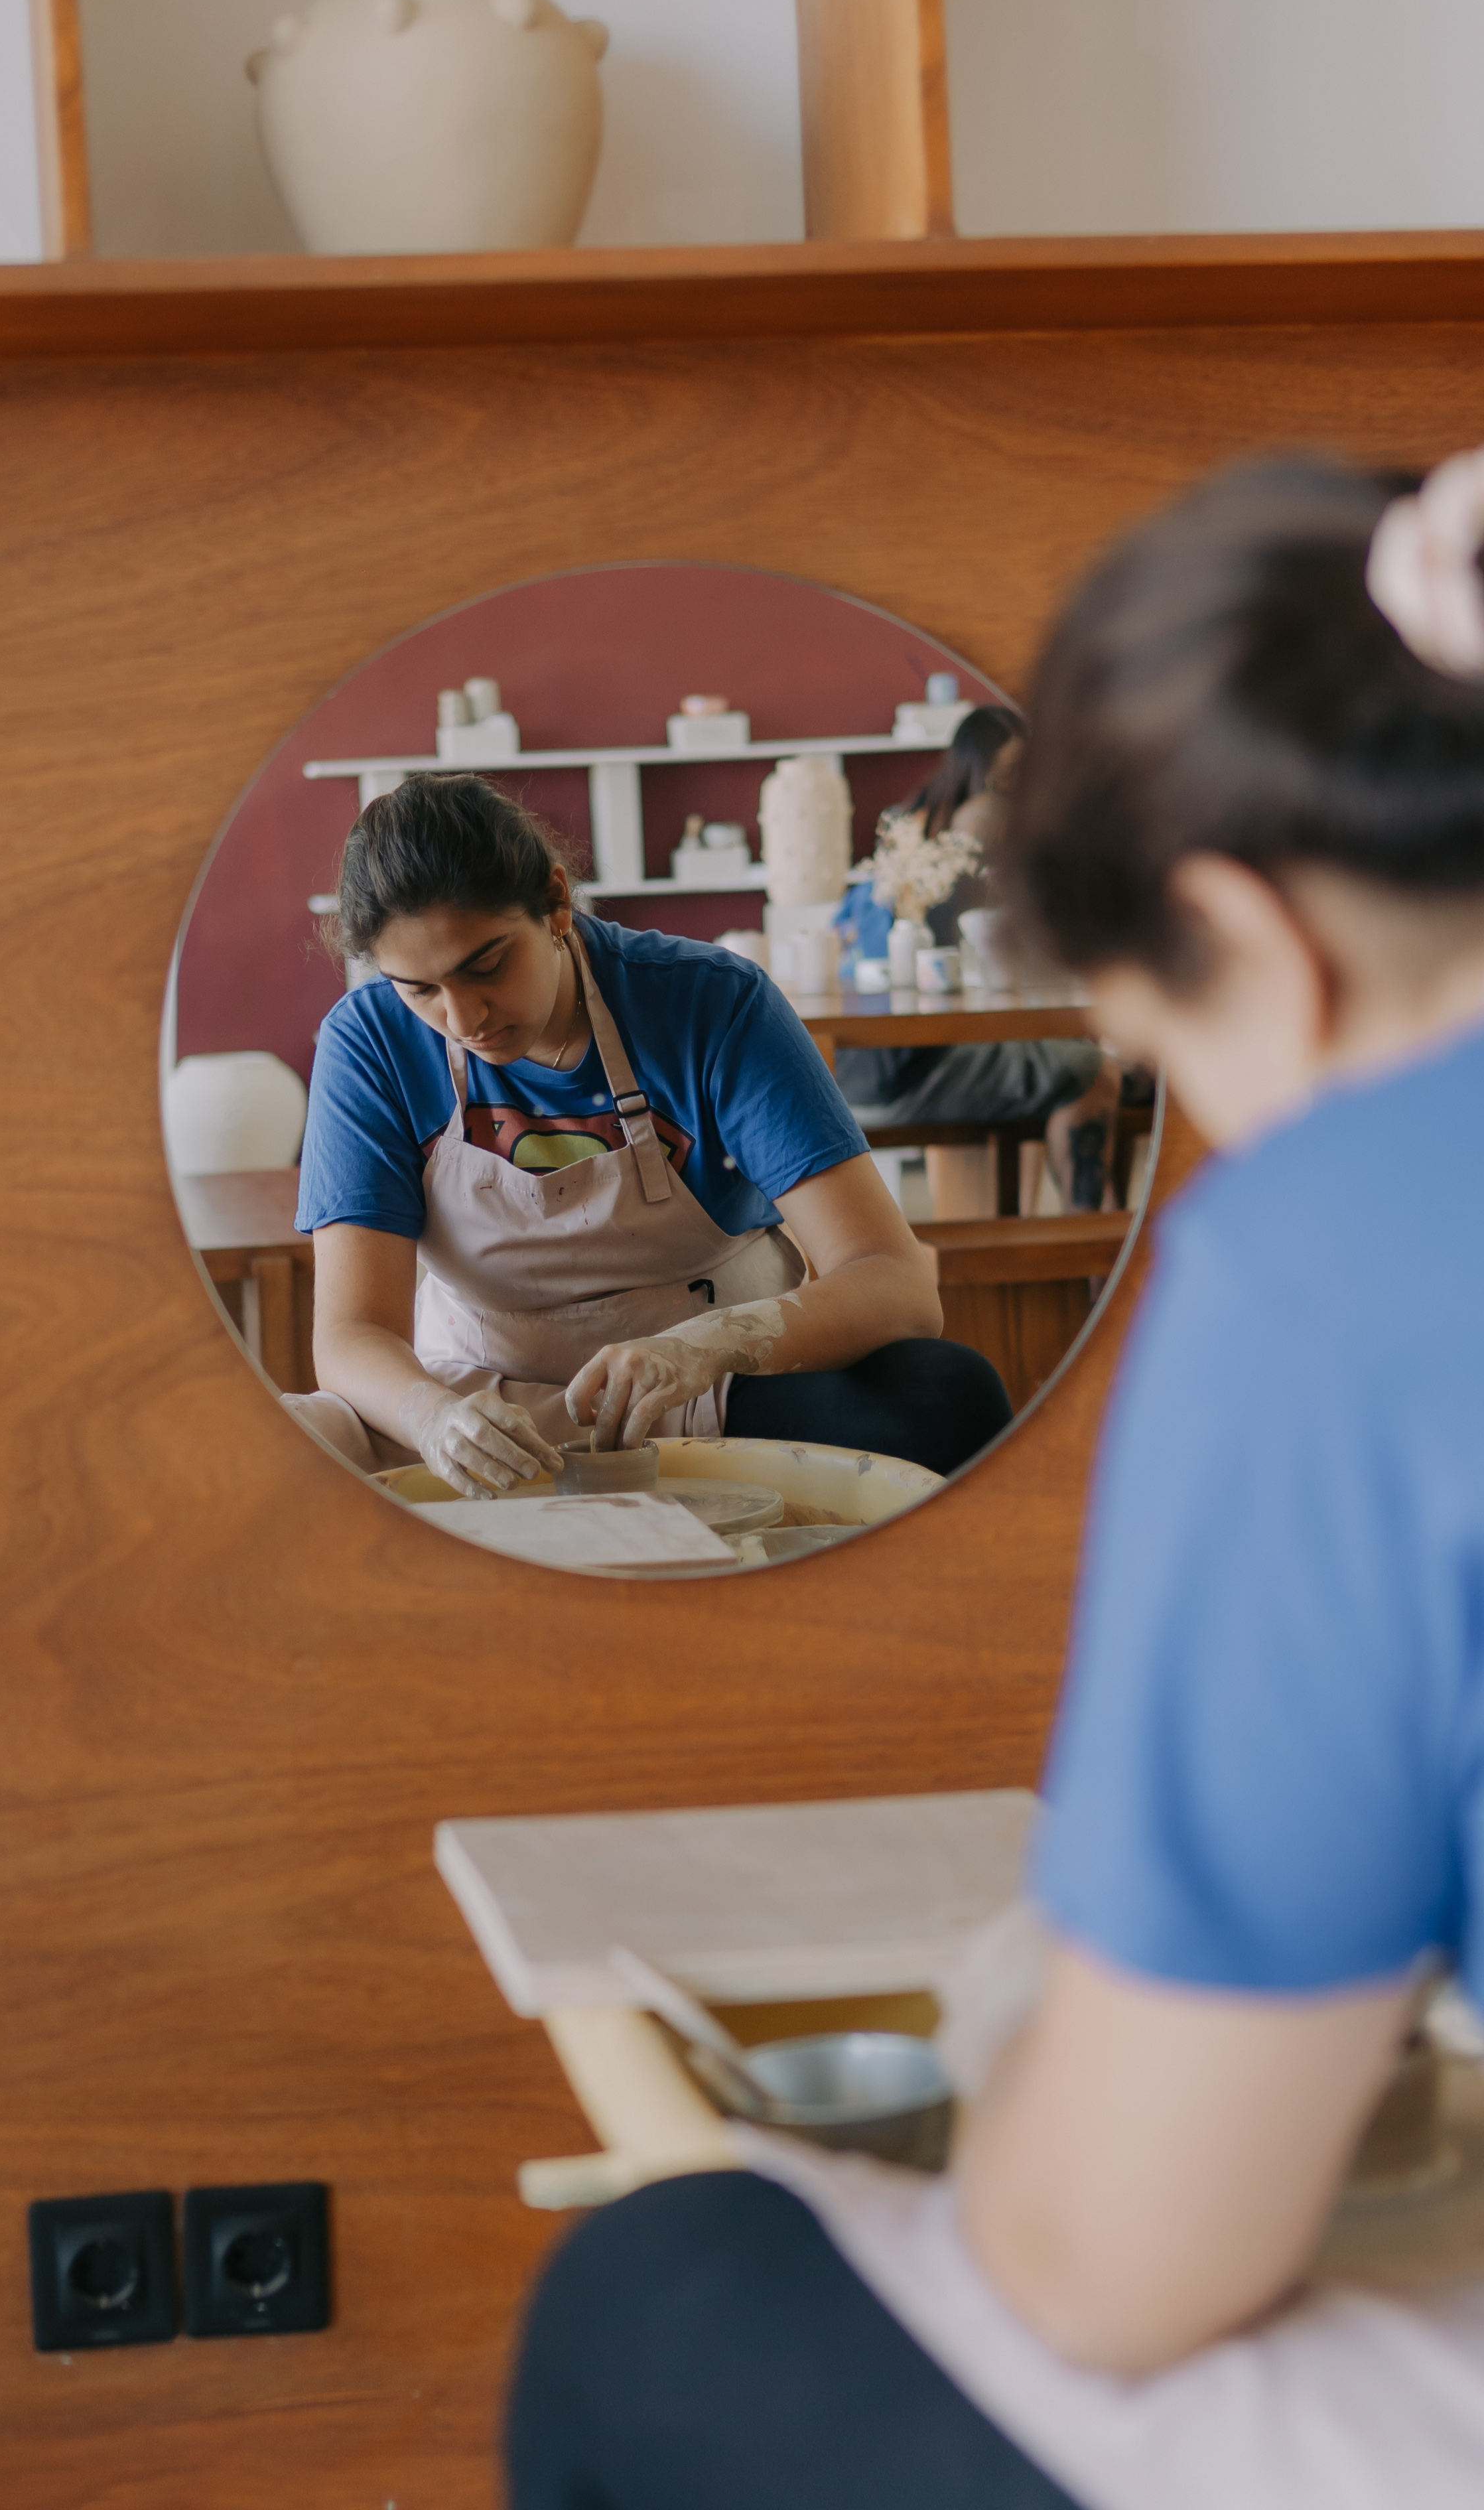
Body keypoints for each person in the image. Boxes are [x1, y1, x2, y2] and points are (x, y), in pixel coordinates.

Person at [506, 449, 1484, 2509]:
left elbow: (1119, 2267)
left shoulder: (1334, 1242)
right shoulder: (391, 1065)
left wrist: (1035, 2047)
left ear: (1246, 939)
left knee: (665, 2289)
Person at [292, 774, 1011, 1496]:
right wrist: (432, 1419)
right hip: (481, 1409)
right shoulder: (368, 1043)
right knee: (272, 1449)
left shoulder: (709, 1002)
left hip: (703, 1396)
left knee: (947, 1396)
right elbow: (352, 1335)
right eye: (418, 990)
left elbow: (895, 1281)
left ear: (556, 903)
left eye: (486, 965)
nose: (464, 1017)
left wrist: (701, 1349)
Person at [838, 703, 1122, 1214]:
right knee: (1091, 1071)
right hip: (902, 1069)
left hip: (862, 1070)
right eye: (1010, 776)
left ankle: (1071, 1244)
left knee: (1063, 1065)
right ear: (978, 771)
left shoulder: (912, 830)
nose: (1019, 789)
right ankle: (1100, 1248)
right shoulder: (960, 840)